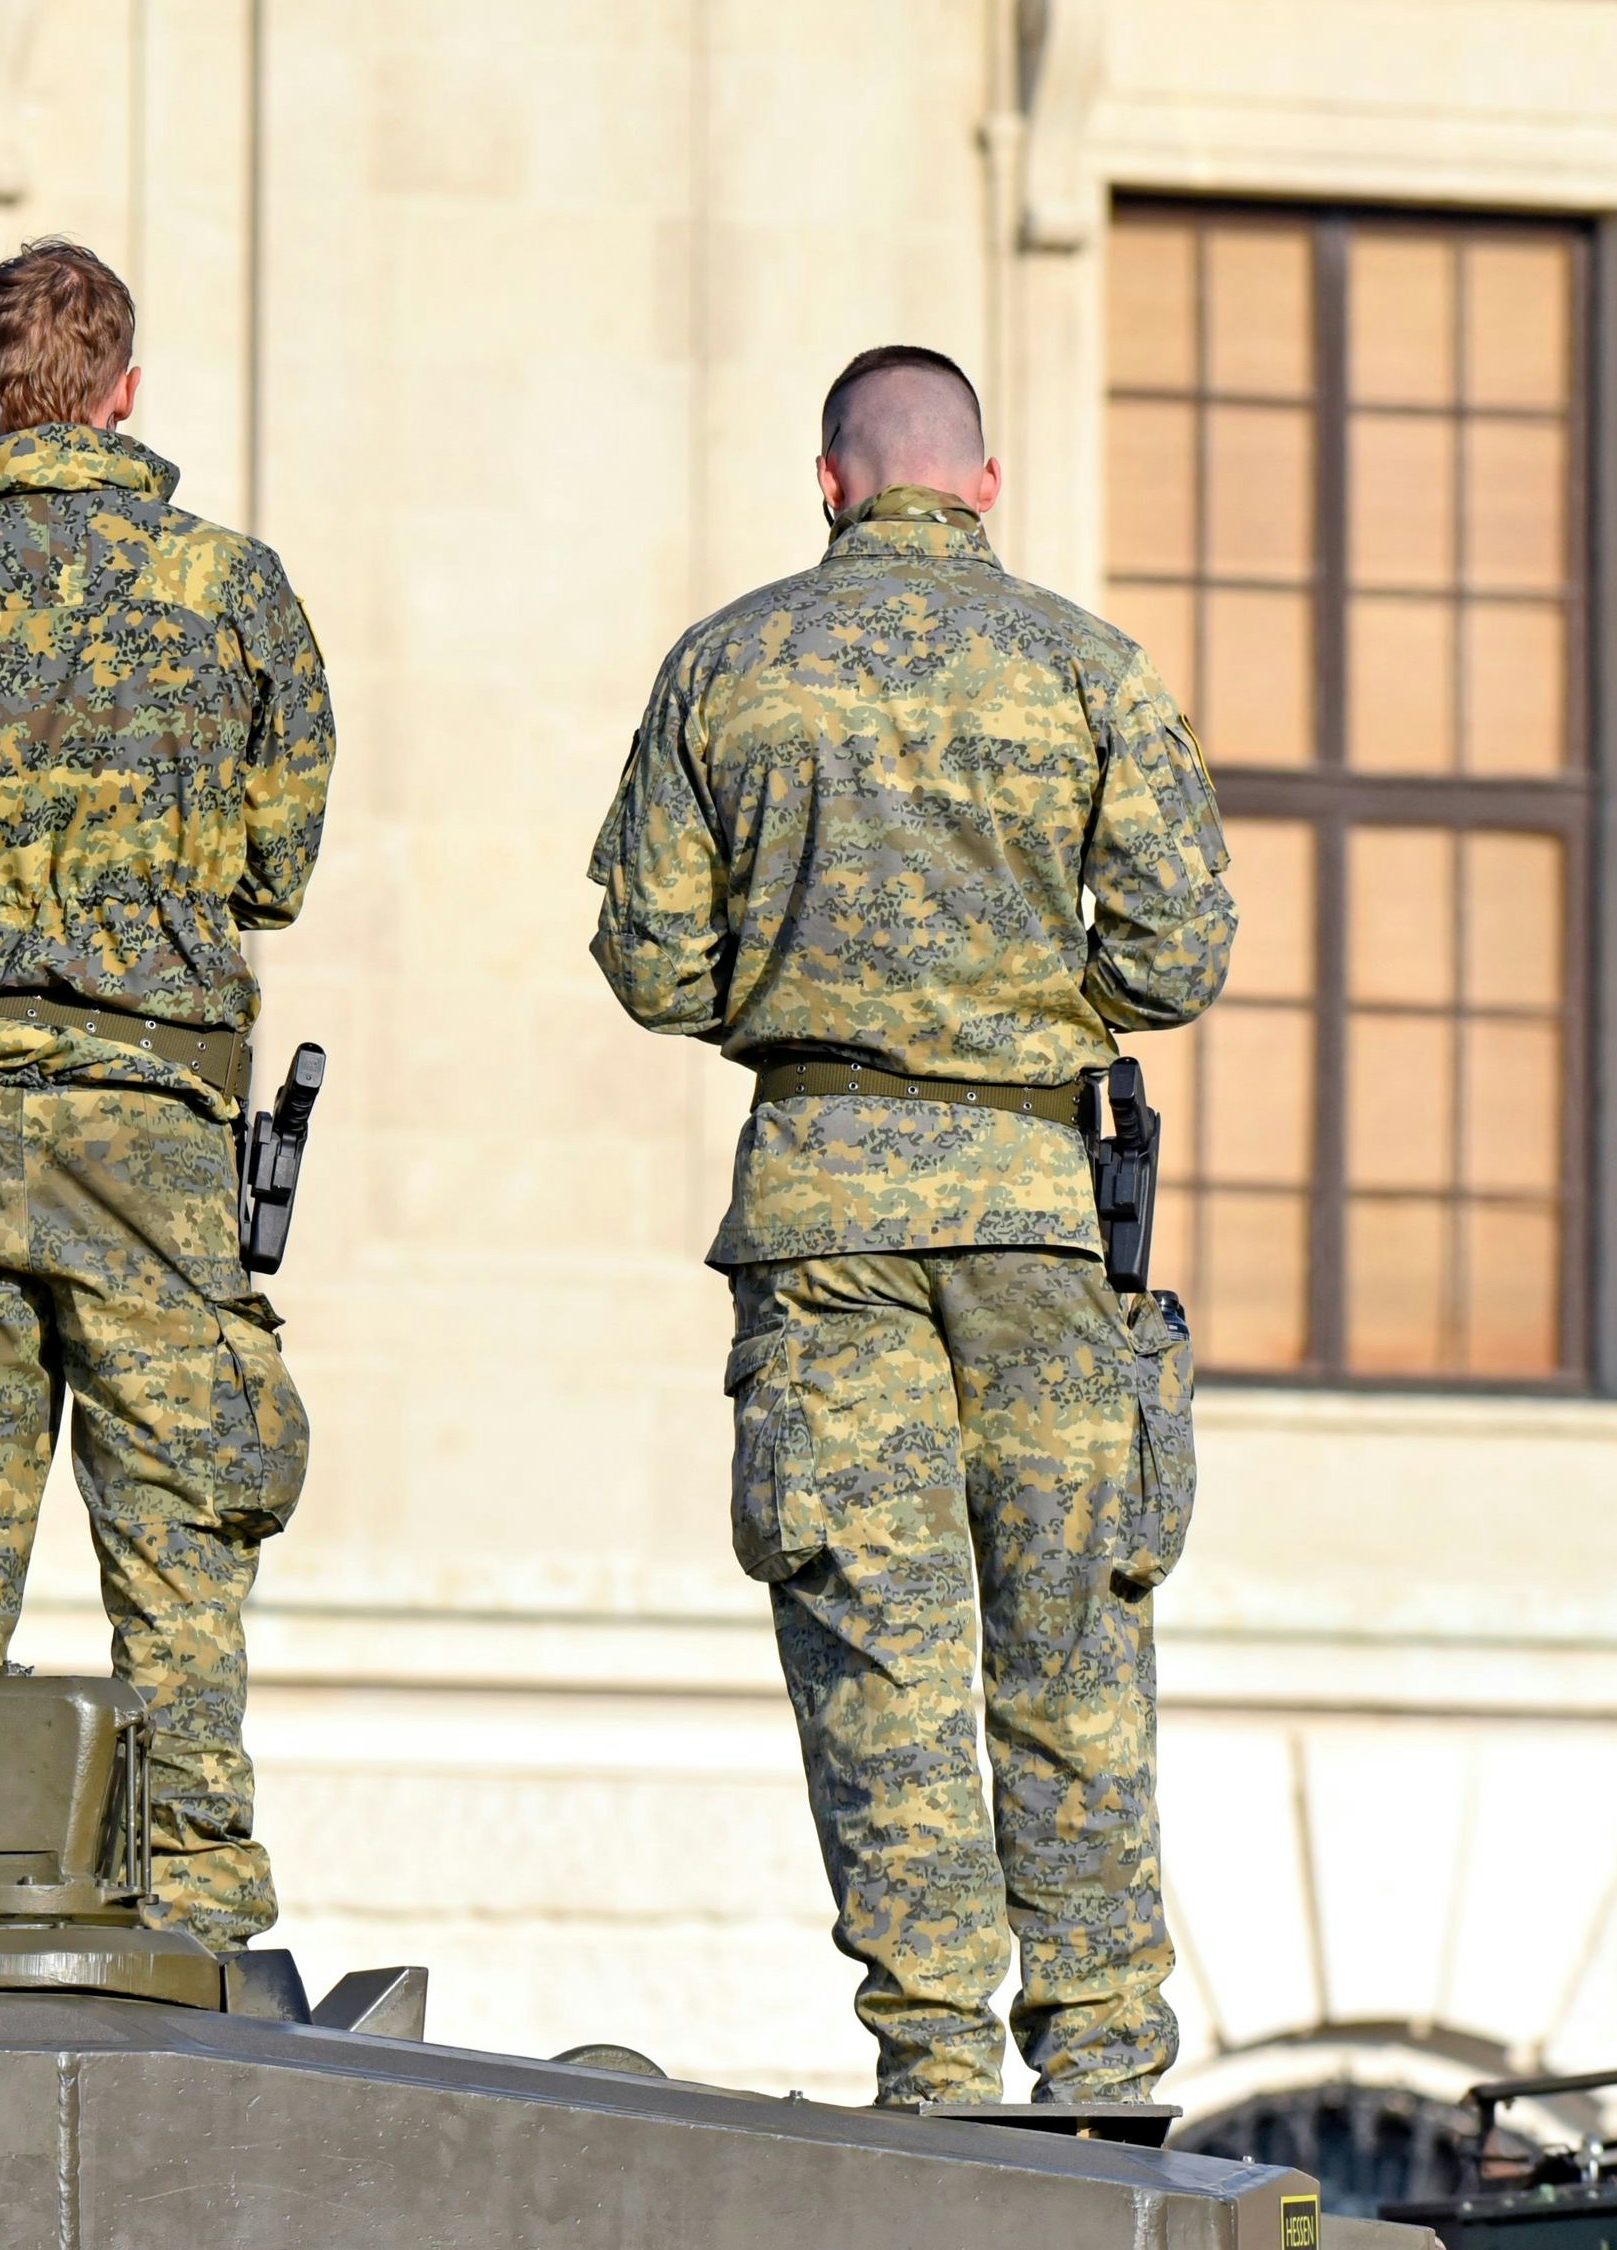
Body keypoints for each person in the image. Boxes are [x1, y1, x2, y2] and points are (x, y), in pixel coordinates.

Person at [584, 345, 1235, 2106]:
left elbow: (649, 958)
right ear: (985, 487)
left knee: (879, 1649)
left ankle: (935, 2068)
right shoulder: (1088, 670)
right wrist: (1034, 1013)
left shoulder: (726, 668)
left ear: (830, 483)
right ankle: (1103, 2057)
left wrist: (795, 1010)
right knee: (1072, 1643)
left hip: (822, 1214)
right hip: (1034, 1214)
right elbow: (1180, 952)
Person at [0, 239, 333, 1950]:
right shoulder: (232, 592)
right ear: (124, 394)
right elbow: (278, 864)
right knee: (179, 1553)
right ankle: (193, 1910)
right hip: (152, 1139)